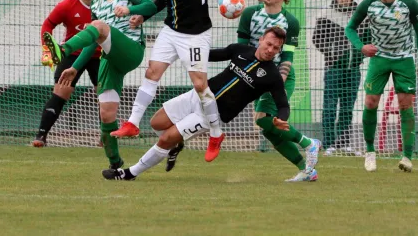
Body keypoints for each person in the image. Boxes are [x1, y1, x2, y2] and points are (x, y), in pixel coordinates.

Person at [111, 0, 270, 163]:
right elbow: (160, 2)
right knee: (152, 72)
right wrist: (141, 16)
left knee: (199, 85)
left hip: (196, 36)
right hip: (170, 31)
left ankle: (216, 134)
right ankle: (133, 123)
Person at [102, 27, 319, 182]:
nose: (271, 50)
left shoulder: (271, 74)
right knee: (156, 122)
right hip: (197, 95)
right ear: (261, 39)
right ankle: (177, 144)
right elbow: (210, 55)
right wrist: (183, 50)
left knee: (165, 137)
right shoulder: (240, 50)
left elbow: (282, 102)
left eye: (276, 48)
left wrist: (283, 117)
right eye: (269, 44)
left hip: (211, 116)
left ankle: (129, 173)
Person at [43, 0, 157, 171]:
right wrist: (75, 67)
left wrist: (130, 11)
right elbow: (95, 38)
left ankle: (63, 49)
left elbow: (150, 5)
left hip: (131, 49)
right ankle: (115, 164)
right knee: (106, 112)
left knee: (99, 25)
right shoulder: (95, 3)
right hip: (110, 58)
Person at [345, 0, 418, 173]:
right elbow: (350, 28)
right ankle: (370, 152)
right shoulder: (368, 3)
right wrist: (361, 47)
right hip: (379, 59)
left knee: (405, 104)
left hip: (404, 60)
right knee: (370, 101)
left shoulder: (408, 4)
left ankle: (407, 157)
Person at [237, 0, 321, 181]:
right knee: (269, 130)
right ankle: (307, 170)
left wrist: (279, 80)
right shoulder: (249, 13)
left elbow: (288, 56)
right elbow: (242, 50)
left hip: (279, 77)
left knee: (263, 120)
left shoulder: (290, 21)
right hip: (256, 77)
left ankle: (309, 143)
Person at [33, 0, 102, 147]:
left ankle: (105, 138)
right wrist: (47, 50)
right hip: (72, 54)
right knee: (60, 92)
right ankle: (41, 136)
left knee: (104, 95)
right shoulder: (67, 5)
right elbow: (48, 24)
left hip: (100, 55)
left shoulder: (105, 5)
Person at [312, 0, 368, 156]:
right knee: (329, 106)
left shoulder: (361, 16)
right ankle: (329, 143)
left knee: (347, 107)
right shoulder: (326, 14)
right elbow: (317, 39)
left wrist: (359, 56)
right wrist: (332, 53)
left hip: (353, 69)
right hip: (333, 68)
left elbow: (367, 39)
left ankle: (344, 143)